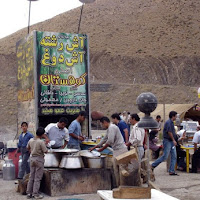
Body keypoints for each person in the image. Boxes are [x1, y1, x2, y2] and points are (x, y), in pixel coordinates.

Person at [89, 116, 128, 187]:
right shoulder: (109, 129)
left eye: (101, 124)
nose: (102, 126)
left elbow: (110, 141)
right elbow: (104, 139)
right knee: (116, 169)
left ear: (105, 122)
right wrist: (94, 147)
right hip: (117, 150)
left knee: (120, 169)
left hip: (120, 150)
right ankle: (118, 185)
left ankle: (121, 186)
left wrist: (102, 149)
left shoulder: (112, 127)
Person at [151, 111, 178, 176]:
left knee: (174, 156)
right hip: (168, 141)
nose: (176, 117)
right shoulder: (168, 123)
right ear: (173, 116)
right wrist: (173, 140)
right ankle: (152, 165)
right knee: (165, 156)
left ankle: (171, 170)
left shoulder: (171, 123)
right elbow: (169, 132)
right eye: (176, 116)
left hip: (171, 141)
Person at [26, 127, 48, 199]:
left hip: (32, 158)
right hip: (39, 159)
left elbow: (27, 148)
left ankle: (29, 193)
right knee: (37, 178)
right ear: (42, 134)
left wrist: (31, 151)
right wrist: (47, 145)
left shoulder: (31, 140)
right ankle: (35, 194)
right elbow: (45, 151)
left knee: (31, 176)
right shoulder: (41, 142)